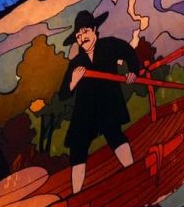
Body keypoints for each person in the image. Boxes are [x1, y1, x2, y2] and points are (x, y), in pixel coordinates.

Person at [60, 10, 140, 194]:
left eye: (85, 32)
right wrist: (73, 81)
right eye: (78, 36)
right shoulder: (76, 63)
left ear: (95, 29)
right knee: (77, 147)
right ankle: (76, 194)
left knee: (114, 135)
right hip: (85, 111)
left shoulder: (109, 45)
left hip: (108, 103)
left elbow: (128, 52)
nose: (82, 38)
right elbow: (63, 94)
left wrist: (133, 71)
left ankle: (133, 173)